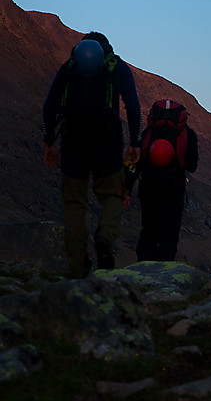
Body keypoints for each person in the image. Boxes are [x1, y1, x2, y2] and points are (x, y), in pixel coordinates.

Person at [43, 32, 143, 277]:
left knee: (75, 205)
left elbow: (49, 106)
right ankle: (105, 239)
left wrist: (49, 142)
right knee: (111, 196)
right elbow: (133, 106)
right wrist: (135, 142)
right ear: (106, 49)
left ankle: (77, 269)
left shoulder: (70, 67)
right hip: (107, 143)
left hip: (73, 142)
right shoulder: (117, 67)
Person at [124, 99, 198, 262]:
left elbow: (136, 162)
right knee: (169, 234)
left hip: (149, 187)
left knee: (148, 229)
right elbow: (192, 166)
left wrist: (127, 189)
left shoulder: (149, 133)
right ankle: (163, 273)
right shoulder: (188, 134)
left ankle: (141, 269)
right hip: (174, 189)